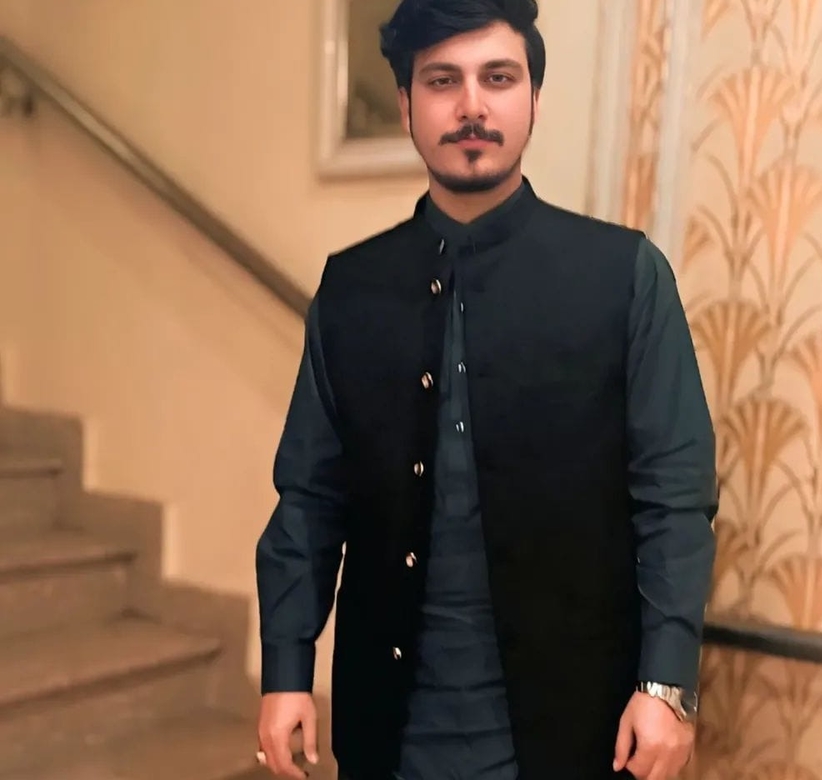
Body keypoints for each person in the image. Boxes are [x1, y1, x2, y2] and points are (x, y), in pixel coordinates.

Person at [254, 1, 718, 778]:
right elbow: (308, 498)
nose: (472, 105)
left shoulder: (623, 277)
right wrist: (286, 668)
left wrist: (668, 685)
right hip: (389, 726)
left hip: (574, 726)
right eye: (443, 81)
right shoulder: (351, 290)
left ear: (535, 96)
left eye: (497, 78)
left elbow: (674, 496)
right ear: (406, 105)